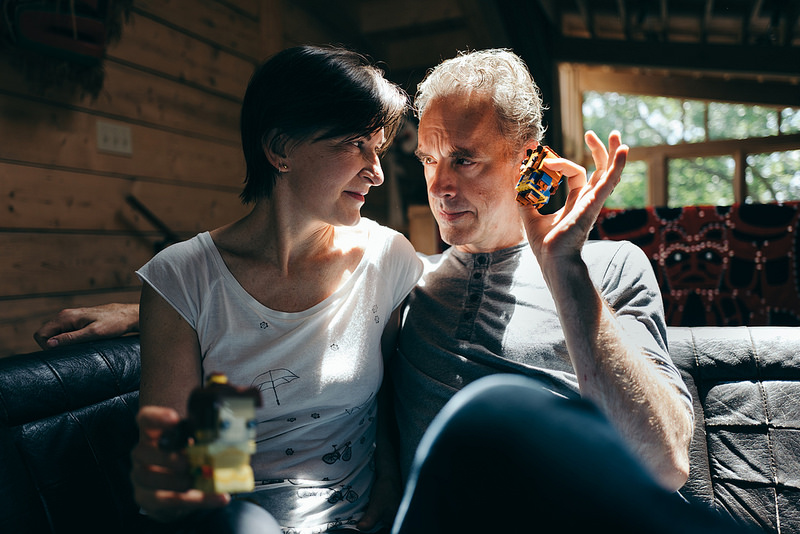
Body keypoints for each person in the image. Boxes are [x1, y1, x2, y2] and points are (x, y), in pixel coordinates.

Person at [35, 49, 751, 533]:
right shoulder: (416, 277)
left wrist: (563, 263)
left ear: (529, 158)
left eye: (465, 160)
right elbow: (252, 328)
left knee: (493, 417)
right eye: (428, 159)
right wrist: (157, 311)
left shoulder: (601, 269)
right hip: (325, 517)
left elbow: (665, 465)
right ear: (279, 148)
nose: (434, 186)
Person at [119, 45, 422, 533]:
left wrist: (390, 480)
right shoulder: (182, 280)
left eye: (378, 147)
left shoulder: (387, 260)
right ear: (280, 149)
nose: (377, 171)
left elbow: (386, 400)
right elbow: (185, 485)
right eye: (355, 144)